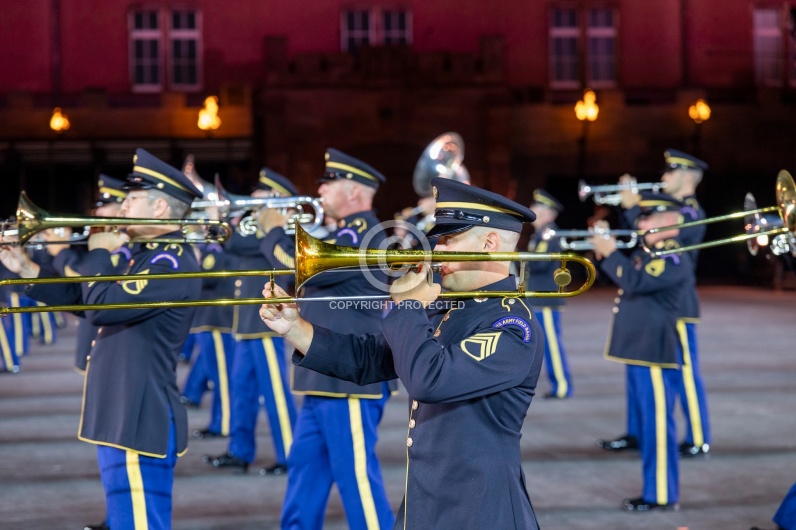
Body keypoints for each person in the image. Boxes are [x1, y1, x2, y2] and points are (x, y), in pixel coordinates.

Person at [259, 176, 544, 529]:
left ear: (489, 243)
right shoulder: (451, 308)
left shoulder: (513, 326)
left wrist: (408, 306)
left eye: (450, 239)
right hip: (427, 501)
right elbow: (370, 359)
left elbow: (431, 380)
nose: (437, 250)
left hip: (482, 509)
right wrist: (295, 328)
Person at [0, 148, 203, 530]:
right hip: (121, 407)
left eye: (131, 200)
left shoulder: (168, 262)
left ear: (159, 209)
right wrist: (28, 269)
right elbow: (87, 302)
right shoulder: (144, 254)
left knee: (140, 522)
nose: (121, 209)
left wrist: (99, 255)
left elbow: (103, 308)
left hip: (137, 414)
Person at [258, 149, 397, 529]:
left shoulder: (364, 233)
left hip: (350, 376)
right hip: (323, 372)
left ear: (353, 191)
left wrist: (272, 227)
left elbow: (297, 266)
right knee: (305, 474)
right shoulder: (339, 234)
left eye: (329, 182)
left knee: (355, 479)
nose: (319, 189)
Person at [600, 149, 711, 458]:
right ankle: (638, 431)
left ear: (687, 176)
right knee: (638, 370)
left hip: (675, 304)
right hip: (651, 300)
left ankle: (698, 437)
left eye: (670, 172)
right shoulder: (668, 208)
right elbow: (642, 239)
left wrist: (635, 207)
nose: (663, 177)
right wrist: (631, 208)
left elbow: (662, 236)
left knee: (685, 372)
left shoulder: (689, 211)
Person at [589, 191, 692, 512]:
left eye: (647, 217)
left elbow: (635, 282)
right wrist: (607, 252)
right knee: (648, 424)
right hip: (639, 351)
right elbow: (631, 278)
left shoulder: (674, 255)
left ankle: (661, 494)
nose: (641, 222)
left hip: (655, 352)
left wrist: (611, 254)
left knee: (658, 427)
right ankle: (655, 489)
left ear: (670, 221)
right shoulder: (650, 252)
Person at [203, 168, 298, 474]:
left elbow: (235, 245)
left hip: (266, 320)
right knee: (241, 390)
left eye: (261, 194)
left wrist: (222, 218)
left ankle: (289, 454)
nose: (253, 198)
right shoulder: (255, 226)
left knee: (275, 394)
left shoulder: (277, 229)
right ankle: (240, 450)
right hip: (245, 320)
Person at [525, 189, 573, 399]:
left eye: (537, 207)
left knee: (552, 345)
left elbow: (541, 263)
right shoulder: (540, 234)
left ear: (548, 213)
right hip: (538, 297)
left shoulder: (549, 234)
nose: (533, 210)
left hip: (546, 298)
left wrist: (517, 260)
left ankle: (562, 385)